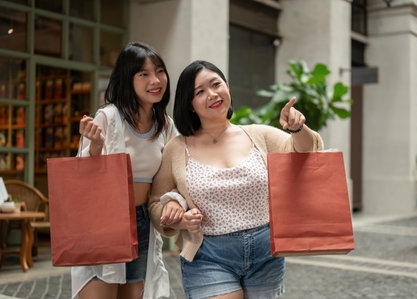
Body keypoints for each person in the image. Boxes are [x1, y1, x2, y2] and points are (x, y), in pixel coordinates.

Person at [148, 60, 323, 299]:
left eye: (216, 84)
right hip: (207, 255)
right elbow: (156, 202)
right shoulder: (176, 149)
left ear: (227, 87)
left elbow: (305, 152)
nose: (212, 94)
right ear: (189, 104)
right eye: (200, 92)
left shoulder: (259, 135)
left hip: (266, 254)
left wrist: (297, 129)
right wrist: (177, 219)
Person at [74, 42, 183, 299]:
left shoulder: (166, 126)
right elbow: (80, 177)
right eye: (143, 74)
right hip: (103, 224)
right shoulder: (108, 118)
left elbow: (179, 175)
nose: (155, 80)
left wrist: (174, 202)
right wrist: (95, 150)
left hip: (143, 224)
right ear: (127, 78)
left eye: (159, 71)